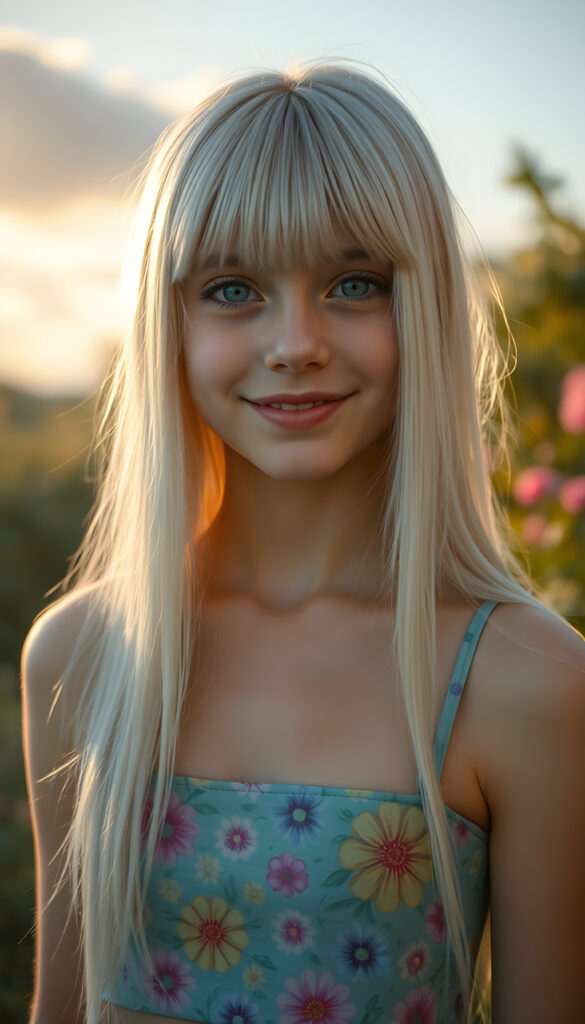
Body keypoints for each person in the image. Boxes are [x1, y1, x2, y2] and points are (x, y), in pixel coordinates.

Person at [21, 59, 585, 1024]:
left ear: (427, 309)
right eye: (234, 287)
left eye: (353, 283)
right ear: (168, 320)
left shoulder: (522, 679)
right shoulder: (83, 652)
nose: (296, 341)